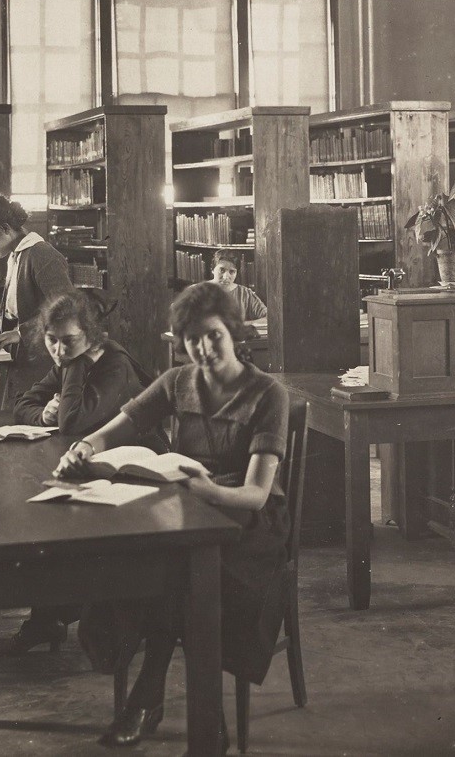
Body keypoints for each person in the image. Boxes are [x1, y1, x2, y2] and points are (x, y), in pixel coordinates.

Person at [59, 283, 289, 748]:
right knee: (166, 570)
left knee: (178, 578)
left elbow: (257, 495)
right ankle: (207, 720)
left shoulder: (268, 393)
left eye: (214, 336)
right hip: (189, 512)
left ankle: (150, 697)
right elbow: (117, 428)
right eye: (191, 339)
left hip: (247, 532)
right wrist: (84, 447)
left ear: (235, 332)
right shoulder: (177, 381)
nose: (203, 349)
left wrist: (204, 489)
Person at [0, 291, 161, 658]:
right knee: (46, 517)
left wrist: (66, 383)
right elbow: (23, 402)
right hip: (91, 464)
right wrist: (42, 414)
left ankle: (68, 619)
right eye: (51, 340)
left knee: (63, 523)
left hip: (139, 468)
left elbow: (71, 423)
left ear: (90, 333)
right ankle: (47, 619)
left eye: (68, 341)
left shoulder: (112, 363)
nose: (57, 350)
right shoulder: (72, 356)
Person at [0, 194, 72, 399]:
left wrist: (22, 333)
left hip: (45, 363)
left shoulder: (40, 254)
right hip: (27, 361)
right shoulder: (17, 255)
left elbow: (67, 307)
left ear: (5, 229)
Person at [210, 250, 268, 322]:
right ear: (212, 269)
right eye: (222, 270)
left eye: (232, 272)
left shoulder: (245, 294)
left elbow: (268, 318)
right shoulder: (197, 292)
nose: (226, 277)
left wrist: (242, 326)